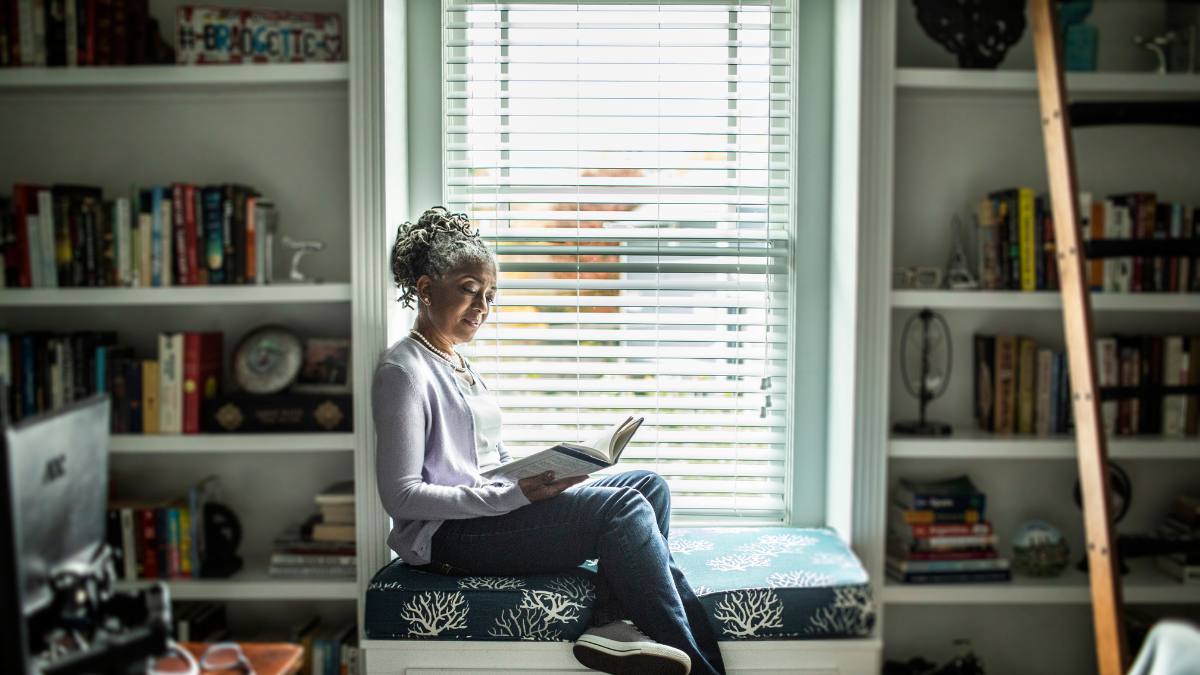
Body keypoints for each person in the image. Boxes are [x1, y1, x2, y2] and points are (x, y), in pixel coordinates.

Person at [372, 207, 727, 675]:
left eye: (490, 296)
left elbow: (484, 461)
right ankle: (699, 669)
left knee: (648, 486)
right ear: (424, 289)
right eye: (468, 290)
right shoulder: (404, 372)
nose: (481, 307)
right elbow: (401, 497)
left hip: (488, 512)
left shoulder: (457, 362)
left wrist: (543, 471)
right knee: (623, 509)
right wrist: (512, 495)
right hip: (448, 538)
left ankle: (611, 623)